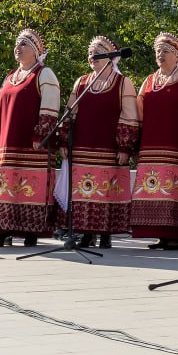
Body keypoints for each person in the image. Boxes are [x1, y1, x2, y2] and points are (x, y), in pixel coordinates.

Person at [0, 29, 60, 247]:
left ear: (35, 50)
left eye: (24, 44)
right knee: (4, 185)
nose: (18, 48)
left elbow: (50, 107)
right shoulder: (10, 77)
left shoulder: (44, 73)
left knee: (28, 185)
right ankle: (3, 231)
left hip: (29, 144)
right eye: (17, 44)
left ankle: (30, 232)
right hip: (5, 143)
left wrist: (40, 134)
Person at [61, 35, 138, 249]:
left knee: (107, 191)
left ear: (110, 57)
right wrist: (64, 140)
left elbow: (130, 116)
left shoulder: (123, 83)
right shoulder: (82, 82)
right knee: (83, 191)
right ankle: (86, 233)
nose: (92, 56)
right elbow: (70, 113)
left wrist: (125, 146)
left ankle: (106, 234)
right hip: (83, 145)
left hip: (108, 148)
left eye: (97, 52)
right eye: (90, 52)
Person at [131, 33, 178, 250]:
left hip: (177, 145)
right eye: (158, 51)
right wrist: (136, 143)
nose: (160, 55)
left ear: (176, 56)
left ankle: (176, 235)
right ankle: (160, 233)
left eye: (165, 51)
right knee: (154, 188)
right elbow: (139, 113)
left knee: (174, 189)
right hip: (151, 145)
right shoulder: (150, 80)